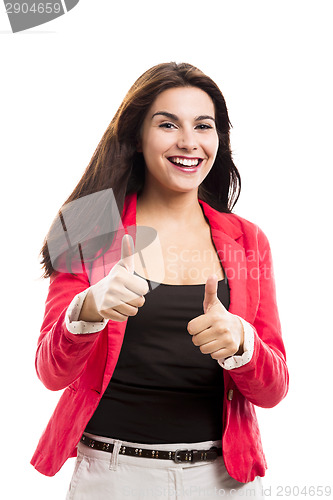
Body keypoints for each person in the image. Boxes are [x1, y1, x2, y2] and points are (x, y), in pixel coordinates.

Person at [31, 62, 289, 499]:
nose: (188, 142)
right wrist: (89, 309)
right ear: (136, 136)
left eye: (203, 126)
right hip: (114, 478)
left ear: (218, 140)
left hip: (225, 482)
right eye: (167, 124)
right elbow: (51, 373)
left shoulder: (247, 240)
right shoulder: (88, 226)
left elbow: (273, 389)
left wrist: (242, 344)